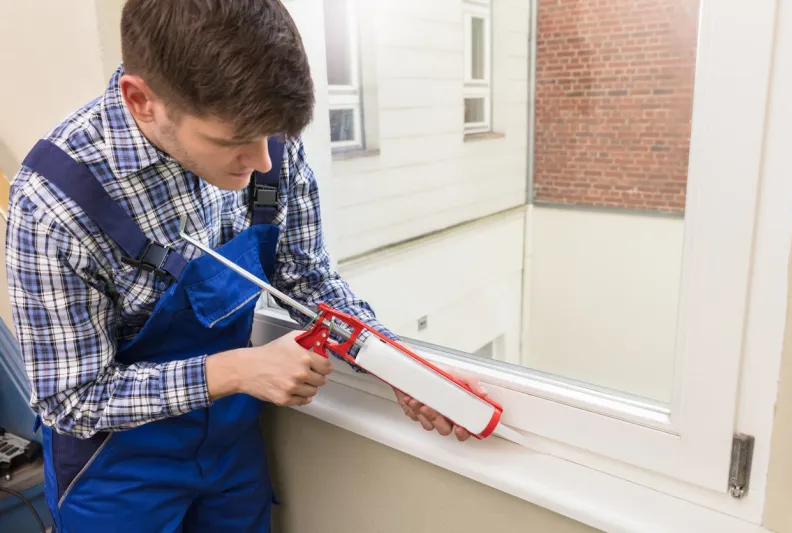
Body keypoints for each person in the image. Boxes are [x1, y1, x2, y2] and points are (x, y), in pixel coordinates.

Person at [4, 1, 488, 532]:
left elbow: (306, 279)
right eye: (234, 142)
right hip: (114, 470)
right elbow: (72, 400)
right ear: (142, 101)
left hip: (231, 448)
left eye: (272, 138)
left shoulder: (266, 132)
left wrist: (398, 368)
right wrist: (237, 370)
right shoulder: (52, 206)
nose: (262, 161)